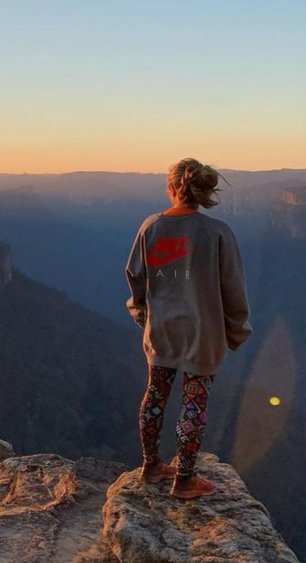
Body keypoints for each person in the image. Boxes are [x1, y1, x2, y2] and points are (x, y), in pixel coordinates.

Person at [124, 158, 252, 500]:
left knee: (155, 395)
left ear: (171, 188)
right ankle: (184, 479)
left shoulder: (150, 227)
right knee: (194, 403)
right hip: (203, 333)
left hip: (162, 329)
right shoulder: (218, 233)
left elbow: (136, 278)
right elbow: (233, 289)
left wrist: (141, 315)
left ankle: (151, 466)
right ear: (203, 192)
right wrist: (236, 331)